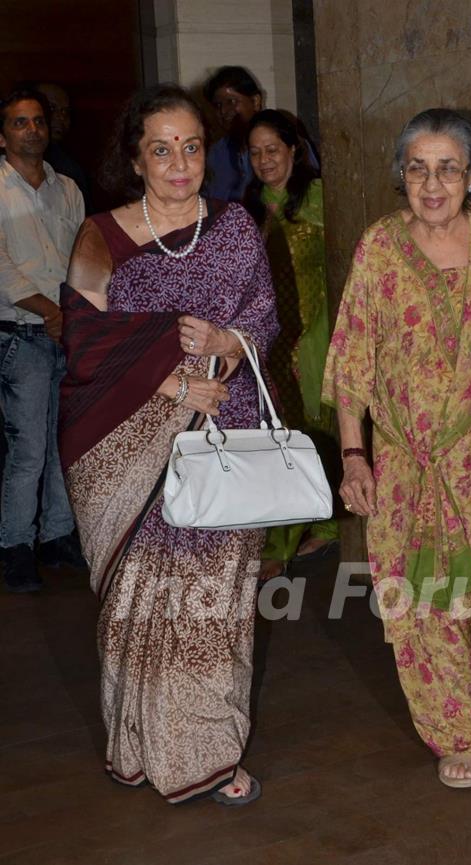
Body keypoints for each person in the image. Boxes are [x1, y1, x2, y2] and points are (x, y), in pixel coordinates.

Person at [322, 108, 471, 789]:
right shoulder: (379, 248)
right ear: (402, 175)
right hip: (408, 462)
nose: (432, 184)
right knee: (427, 597)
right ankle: (456, 728)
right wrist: (353, 454)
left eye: (447, 168)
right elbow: (352, 363)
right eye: (418, 169)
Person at [58, 84, 278, 805]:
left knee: (214, 607)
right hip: (141, 442)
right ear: (136, 157)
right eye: (162, 149)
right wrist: (173, 386)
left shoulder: (237, 225)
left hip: (226, 434)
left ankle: (207, 750)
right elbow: (87, 347)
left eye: (191, 147)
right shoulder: (101, 235)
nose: (180, 163)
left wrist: (228, 342)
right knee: (142, 607)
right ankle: (140, 742)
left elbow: (264, 316)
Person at [244, 109, 338, 580]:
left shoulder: (320, 198)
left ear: (294, 151)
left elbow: (339, 268)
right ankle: (297, 528)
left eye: (273, 150)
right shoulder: (246, 208)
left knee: (311, 430)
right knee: (277, 435)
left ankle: (289, 542)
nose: (265, 161)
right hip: (267, 337)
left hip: (315, 329)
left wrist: (318, 338)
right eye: (256, 152)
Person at [0, 89, 85, 593]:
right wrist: (51, 312)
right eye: (18, 122)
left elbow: (80, 257)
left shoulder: (67, 188)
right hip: (21, 335)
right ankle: (14, 546)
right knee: (27, 447)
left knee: (62, 443)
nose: (30, 129)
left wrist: (75, 312)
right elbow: (2, 271)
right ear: (3, 133)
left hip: (66, 332)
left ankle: (56, 535)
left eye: (37, 121)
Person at [203, 65, 319, 203]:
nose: (223, 111)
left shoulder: (287, 142)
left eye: (231, 102)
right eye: (218, 106)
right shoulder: (215, 155)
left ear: (256, 101)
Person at [34, 82, 93, 212]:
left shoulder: (70, 169)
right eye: (52, 108)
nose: (60, 118)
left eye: (65, 112)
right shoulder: (12, 166)